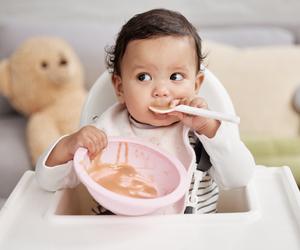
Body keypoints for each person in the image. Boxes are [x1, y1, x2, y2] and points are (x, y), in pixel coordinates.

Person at [36, 8, 255, 215]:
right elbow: (48, 181)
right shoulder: (106, 131)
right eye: (144, 77)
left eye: (176, 77)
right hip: (119, 235)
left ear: (196, 84)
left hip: (194, 235)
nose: (161, 90)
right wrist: (68, 145)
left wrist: (209, 128)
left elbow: (239, 178)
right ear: (120, 88)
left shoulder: (204, 130)